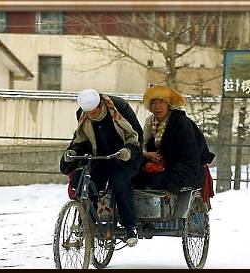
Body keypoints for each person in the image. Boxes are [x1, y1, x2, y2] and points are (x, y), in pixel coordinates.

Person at [59, 89, 143, 247]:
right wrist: (72, 153)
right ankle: (88, 222)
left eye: (93, 111)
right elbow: (81, 139)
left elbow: (136, 134)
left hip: (124, 155)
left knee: (120, 184)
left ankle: (130, 227)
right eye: (87, 112)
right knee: (88, 182)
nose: (90, 115)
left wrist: (129, 151)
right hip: (100, 156)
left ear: (100, 105)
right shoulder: (83, 114)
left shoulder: (119, 107)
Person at [135, 85, 215, 196]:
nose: (157, 107)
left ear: (169, 104)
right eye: (153, 102)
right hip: (163, 169)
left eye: (161, 102)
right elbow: (141, 145)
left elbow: (189, 159)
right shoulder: (150, 122)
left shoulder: (182, 124)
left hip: (186, 171)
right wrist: (147, 155)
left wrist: (172, 186)